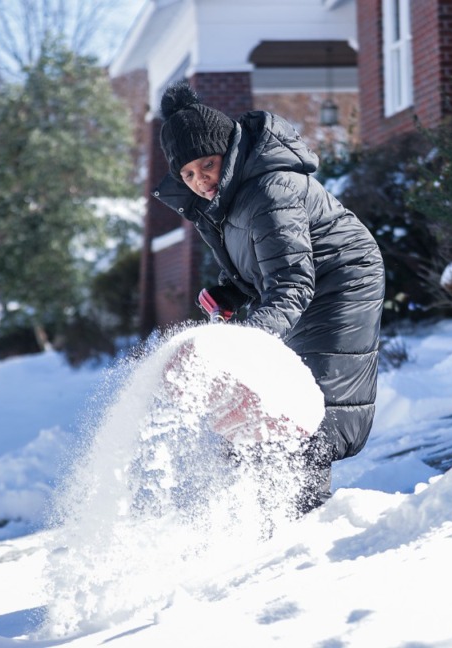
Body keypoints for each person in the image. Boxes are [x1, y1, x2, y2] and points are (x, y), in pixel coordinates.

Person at [152, 80, 385, 514]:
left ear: (229, 152)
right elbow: (260, 264)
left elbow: (292, 280)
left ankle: (306, 518)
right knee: (269, 399)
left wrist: (247, 344)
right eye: (188, 174)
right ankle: (260, 509)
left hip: (343, 278)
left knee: (315, 401)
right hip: (298, 284)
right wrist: (229, 290)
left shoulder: (269, 189)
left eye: (207, 165)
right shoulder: (220, 199)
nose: (200, 181)